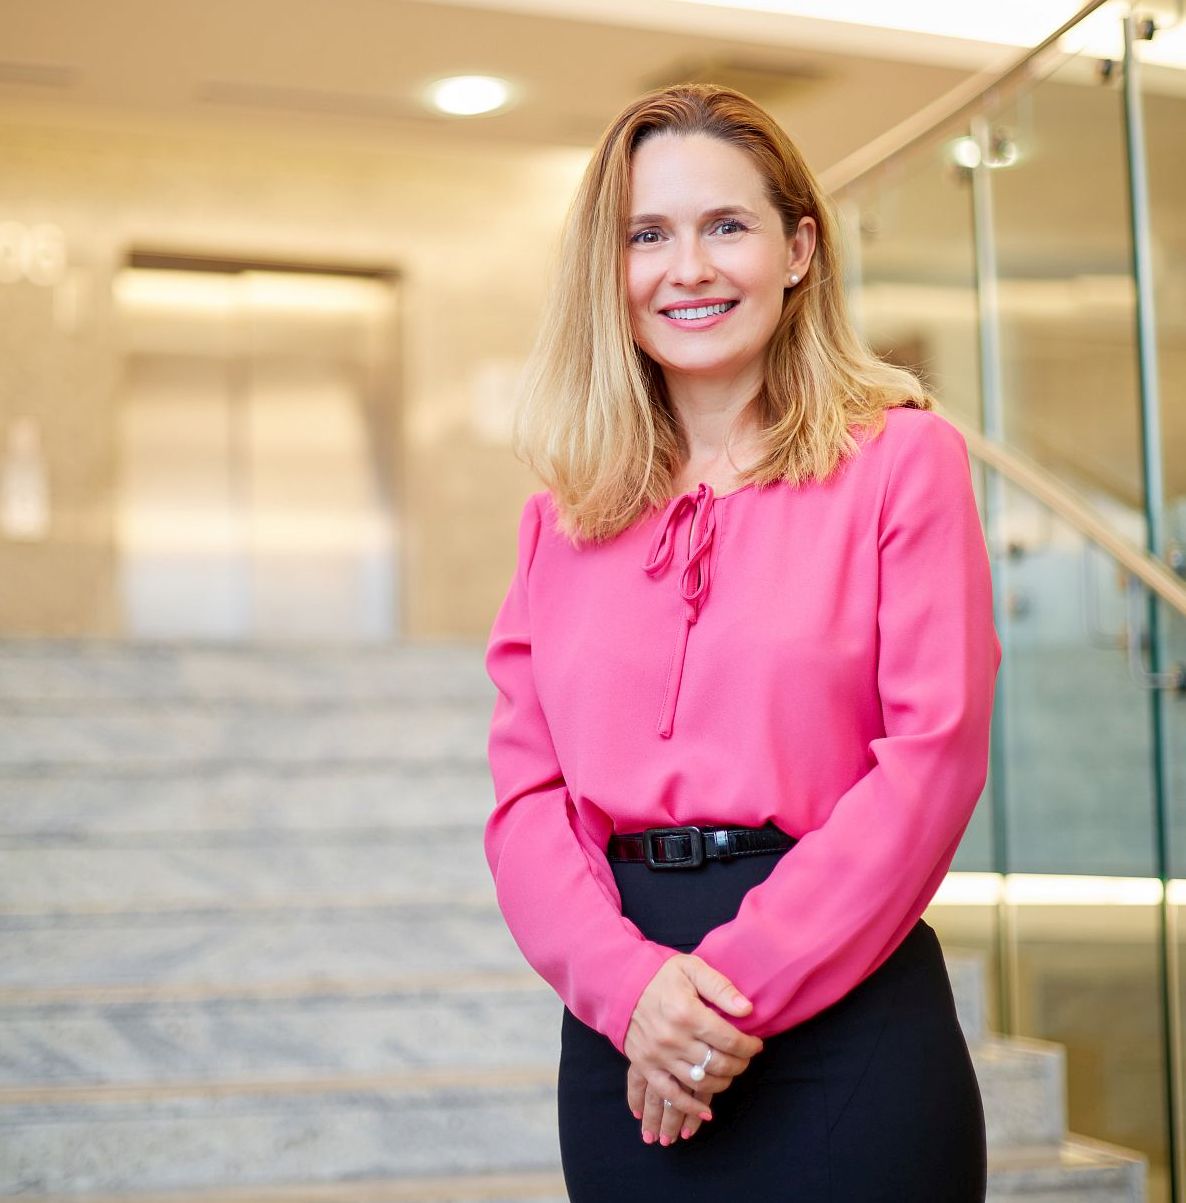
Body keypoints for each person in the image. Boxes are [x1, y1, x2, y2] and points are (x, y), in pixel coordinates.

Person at [483, 81, 1001, 1202]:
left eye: (726, 225)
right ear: (607, 271)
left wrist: (718, 1000)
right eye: (647, 236)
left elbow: (934, 758)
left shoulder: (903, 463)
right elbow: (528, 803)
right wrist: (633, 996)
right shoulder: (558, 521)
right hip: (625, 1034)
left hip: (845, 1022)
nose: (689, 269)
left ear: (798, 249)